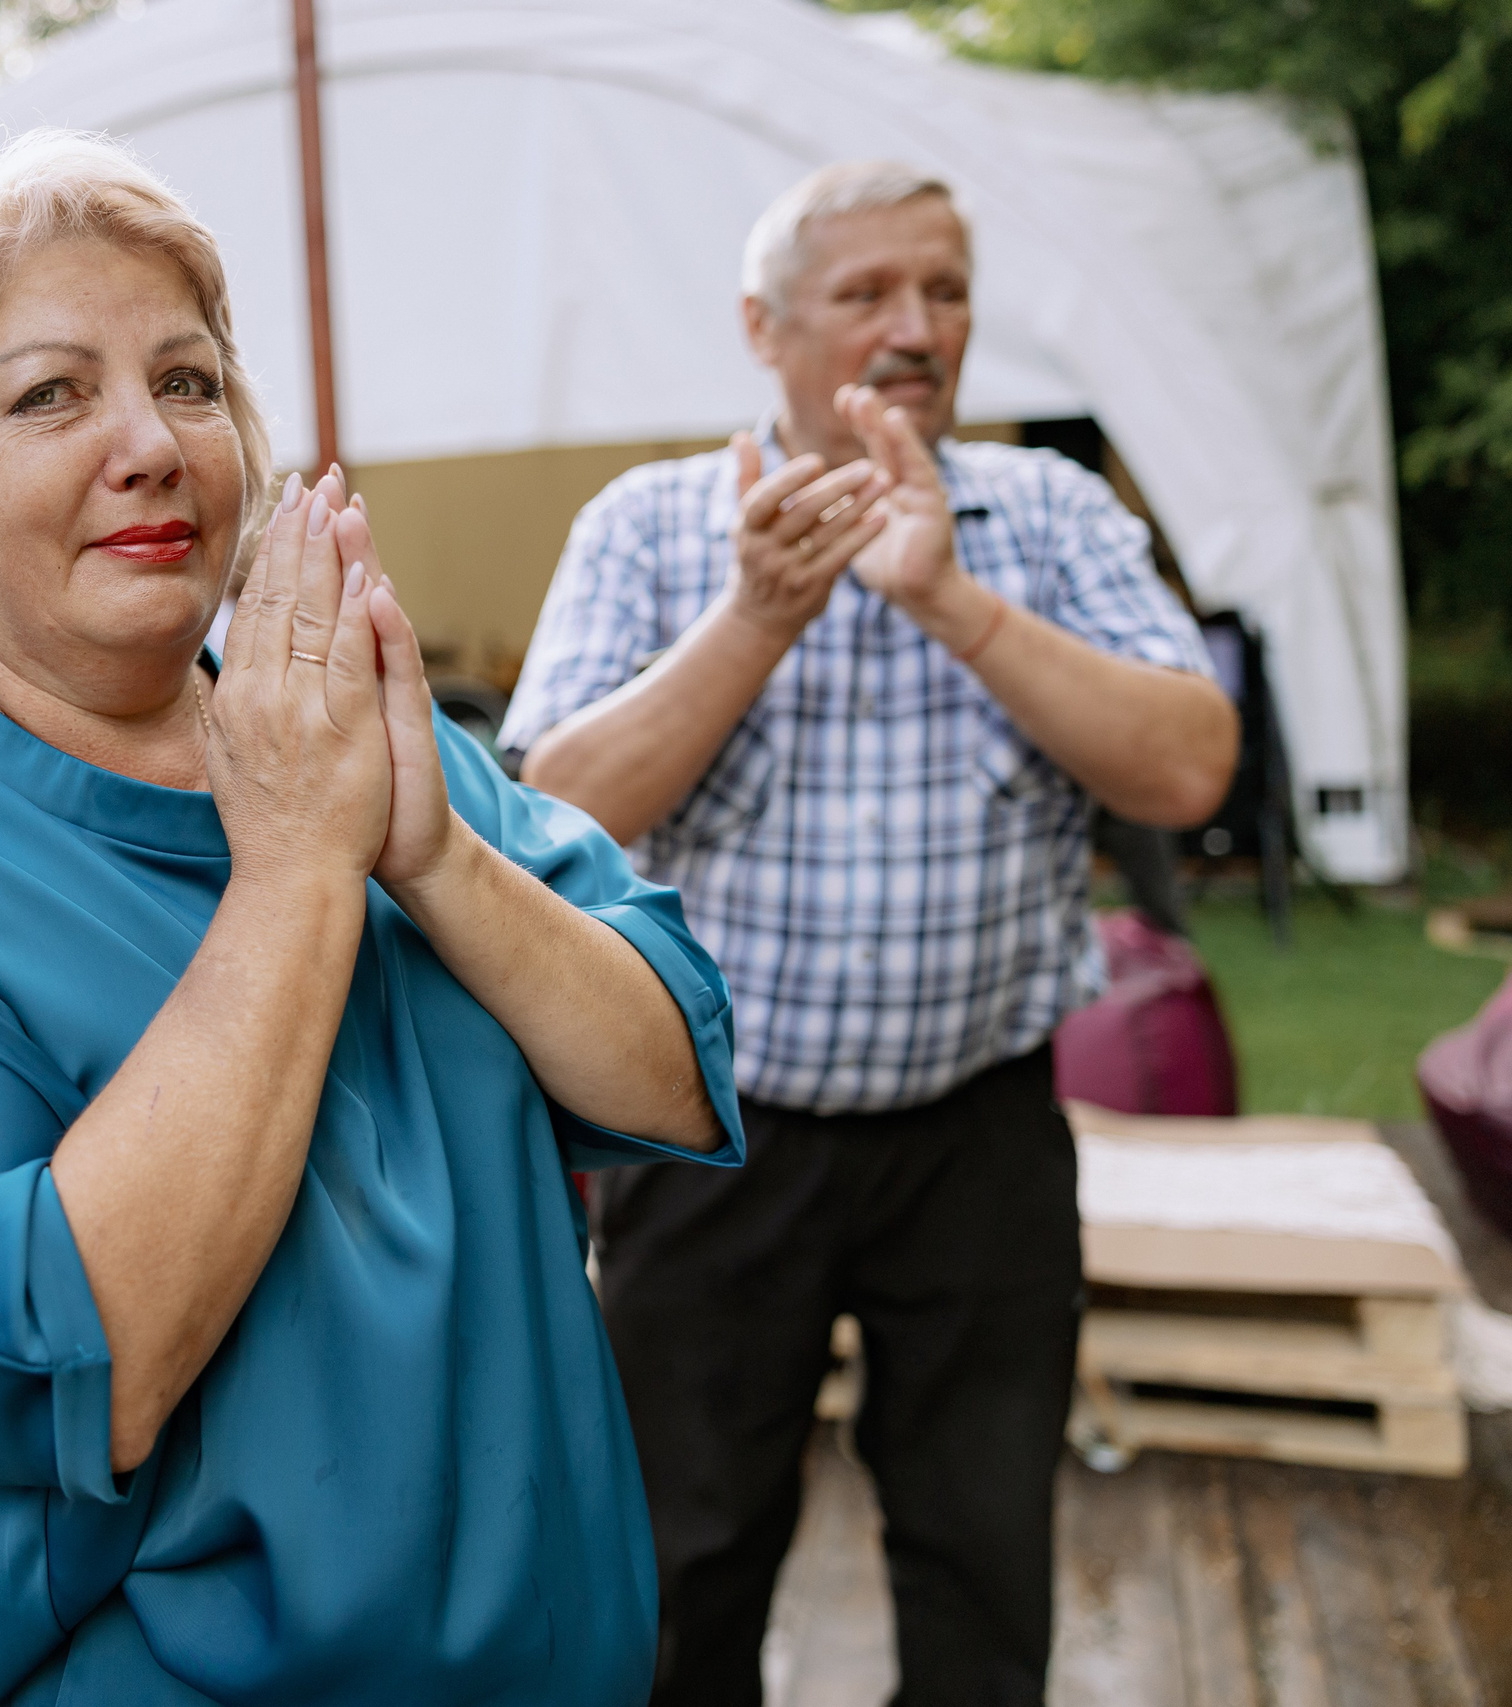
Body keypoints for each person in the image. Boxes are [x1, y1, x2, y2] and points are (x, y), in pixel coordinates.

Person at [0, 131, 744, 1705]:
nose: (148, 443)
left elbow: (677, 1072)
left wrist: (438, 862)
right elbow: (69, 1355)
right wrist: (293, 872)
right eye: (53, 393)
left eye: (187, 382)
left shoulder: (366, 734)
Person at [499, 161, 1240, 1706]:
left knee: (980, 1555)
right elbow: (551, 814)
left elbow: (1188, 763)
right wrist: (757, 615)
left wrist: (958, 602)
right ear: (763, 327)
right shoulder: (652, 525)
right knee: (683, 1560)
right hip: (709, 1138)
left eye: (946, 289)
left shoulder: (1044, 511)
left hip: (981, 1138)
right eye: (869, 292)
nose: (917, 326)